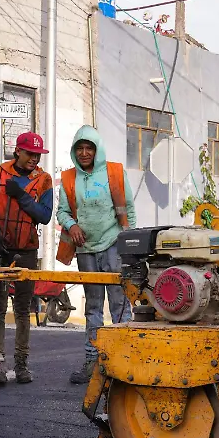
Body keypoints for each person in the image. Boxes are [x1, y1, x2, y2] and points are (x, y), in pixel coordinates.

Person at [57, 125, 136, 384]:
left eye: (88, 147)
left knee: (119, 305)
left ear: (97, 149)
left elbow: (129, 211)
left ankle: (123, 362)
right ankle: (93, 363)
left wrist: (132, 247)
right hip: (85, 250)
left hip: (114, 244)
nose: (84, 152)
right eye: (79, 148)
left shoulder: (114, 172)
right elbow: (62, 213)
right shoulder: (69, 178)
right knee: (92, 308)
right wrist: (72, 226)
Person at [0, 131, 54, 385]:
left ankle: (21, 365)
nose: (34, 158)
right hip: (1, 249)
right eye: (30, 153)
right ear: (18, 151)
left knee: (23, 309)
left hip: (27, 250)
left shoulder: (44, 180)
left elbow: (44, 215)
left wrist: (20, 196)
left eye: (38, 154)